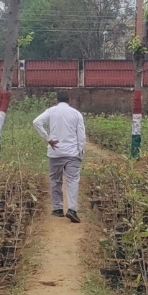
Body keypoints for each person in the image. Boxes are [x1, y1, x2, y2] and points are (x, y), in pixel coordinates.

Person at [33, 91, 87, 223]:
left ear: (57, 100)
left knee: (55, 180)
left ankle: (57, 209)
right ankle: (72, 210)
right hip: (72, 153)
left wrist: (48, 138)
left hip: (55, 152)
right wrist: (81, 151)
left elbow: (36, 122)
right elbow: (81, 135)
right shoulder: (76, 114)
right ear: (69, 99)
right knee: (72, 180)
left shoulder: (51, 111)